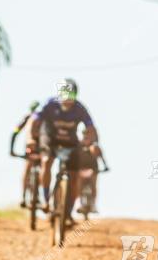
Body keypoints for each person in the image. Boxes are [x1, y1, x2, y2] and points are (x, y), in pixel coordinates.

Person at [30, 78, 100, 220]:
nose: (67, 100)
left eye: (71, 97)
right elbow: (34, 121)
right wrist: (31, 139)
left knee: (74, 177)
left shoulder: (80, 109)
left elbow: (91, 128)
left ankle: (67, 211)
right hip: (50, 138)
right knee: (47, 161)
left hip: (70, 141)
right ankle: (45, 199)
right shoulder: (49, 104)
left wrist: (92, 142)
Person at [10, 100, 40, 208]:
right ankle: (27, 196)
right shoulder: (32, 117)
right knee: (36, 168)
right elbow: (15, 132)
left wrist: (12, 150)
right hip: (36, 147)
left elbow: (15, 133)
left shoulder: (28, 117)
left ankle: (24, 197)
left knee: (28, 168)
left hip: (33, 147)